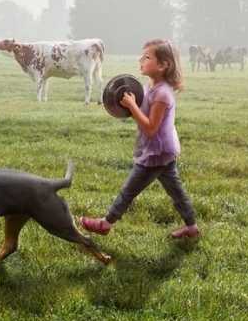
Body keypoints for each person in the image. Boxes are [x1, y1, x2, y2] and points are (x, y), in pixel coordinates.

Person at [81, 38, 200, 239]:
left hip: (157, 152)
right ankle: (192, 228)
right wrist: (126, 107)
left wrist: (132, 106)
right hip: (162, 150)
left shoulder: (162, 94)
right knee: (176, 192)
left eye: (146, 57)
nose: (140, 59)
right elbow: (140, 114)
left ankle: (106, 223)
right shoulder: (149, 86)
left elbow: (151, 127)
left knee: (128, 190)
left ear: (162, 65)